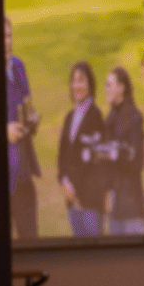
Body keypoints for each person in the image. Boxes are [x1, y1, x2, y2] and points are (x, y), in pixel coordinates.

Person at [58, 61, 105, 235]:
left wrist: (77, 191)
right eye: (74, 80)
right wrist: (64, 182)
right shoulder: (69, 118)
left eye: (82, 80)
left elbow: (96, 163)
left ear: (90, 85)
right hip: (71, 202)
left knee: (95, 258)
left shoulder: (96, 116)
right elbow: (62, 156)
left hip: (90, 203)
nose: (77, 85)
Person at [98, 67, 144, 234]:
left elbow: (137, 162)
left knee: (136, 258)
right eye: (105, 85)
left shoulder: (134, 118)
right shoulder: (110, 118)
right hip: (115, 205)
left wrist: (112, 154)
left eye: (109, 85)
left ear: (121, 88)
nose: (106, 89)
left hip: (131, 205)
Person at [5, 16, 41, 240]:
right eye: (2, 37)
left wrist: (32, 121)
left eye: (9, 36)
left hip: (23, 173)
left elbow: (26, 105)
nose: (7, 42)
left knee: (31, 241)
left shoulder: (18, 66)